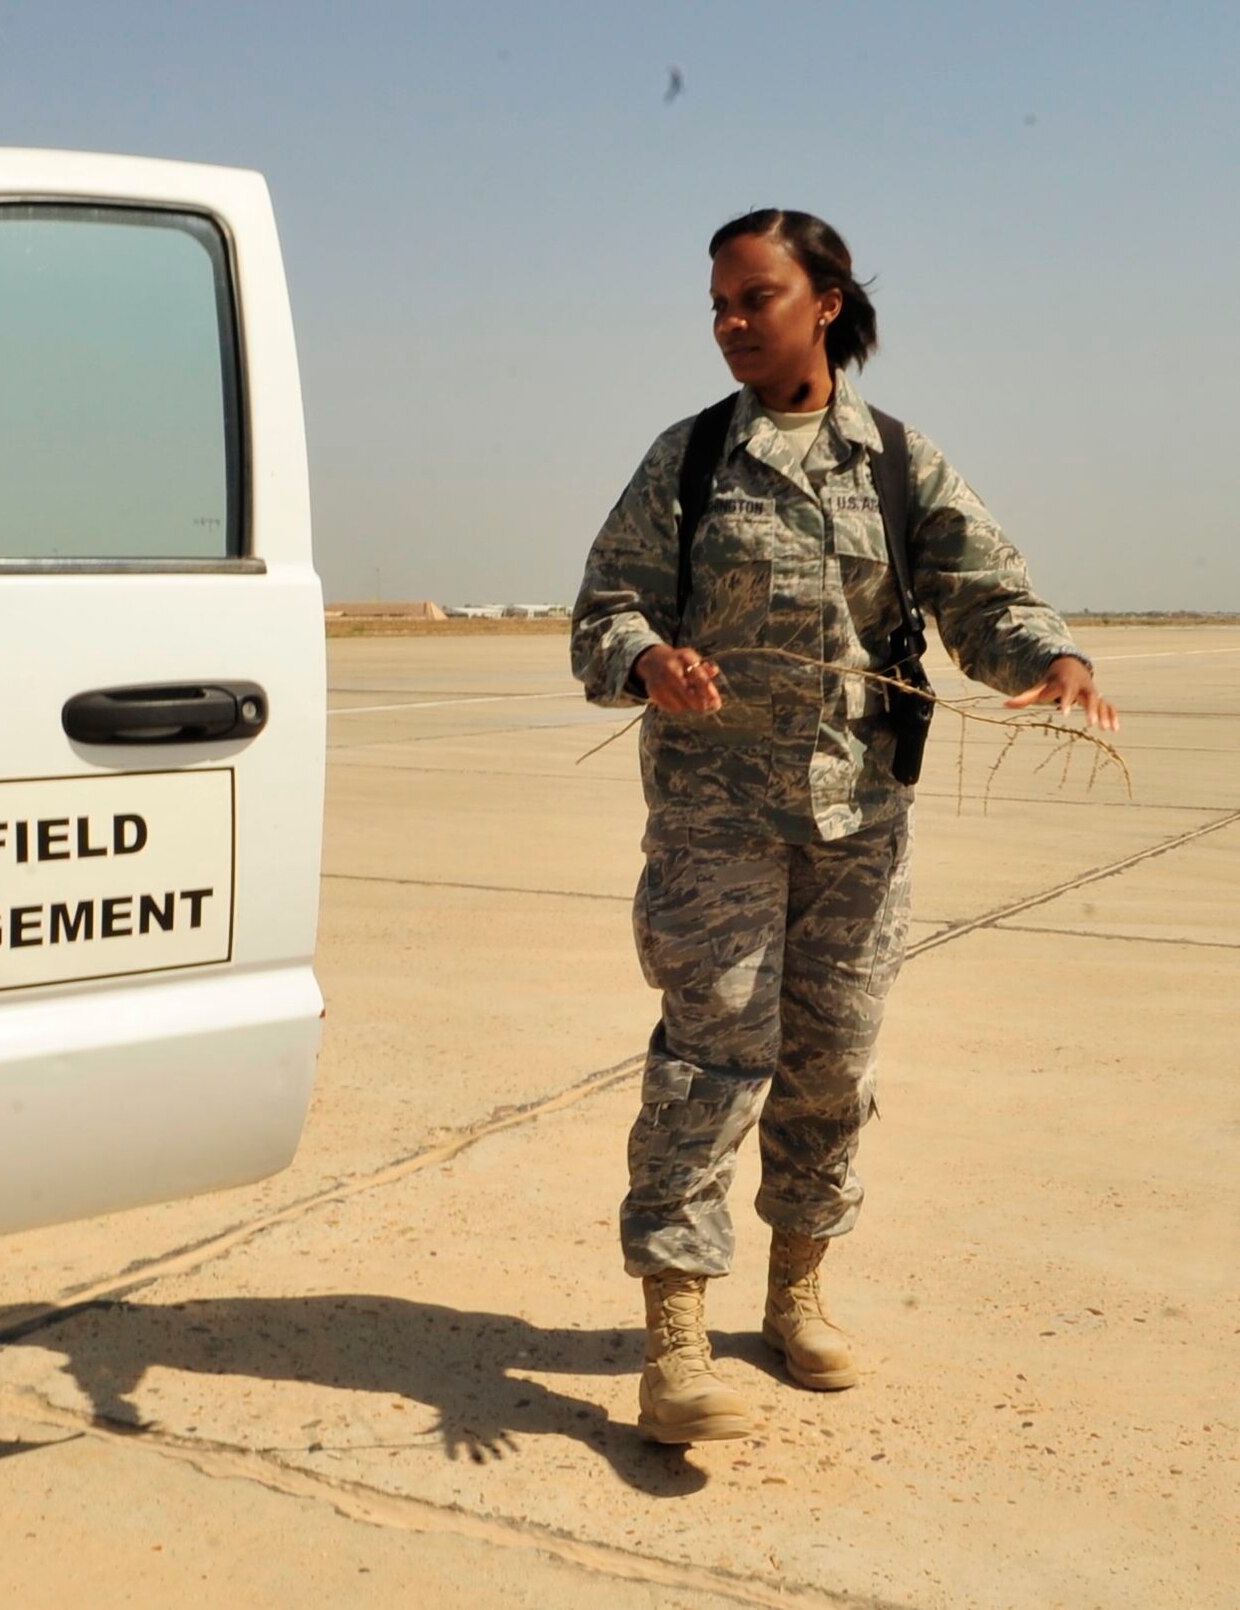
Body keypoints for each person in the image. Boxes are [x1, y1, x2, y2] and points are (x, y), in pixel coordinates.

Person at [569, 209, 1119, 1445]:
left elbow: (985, 594)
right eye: (715, 304)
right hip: (713, 822)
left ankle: (795, 1294)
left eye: (752, 298)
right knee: (709, 1061)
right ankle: (673, 1336)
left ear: (823, 302)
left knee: (831, 1062)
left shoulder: (896, 461)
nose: (728, 323)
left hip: (858, 820)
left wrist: (1052, 659)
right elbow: (604, 607)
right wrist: (647, 659)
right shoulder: (688, 459)